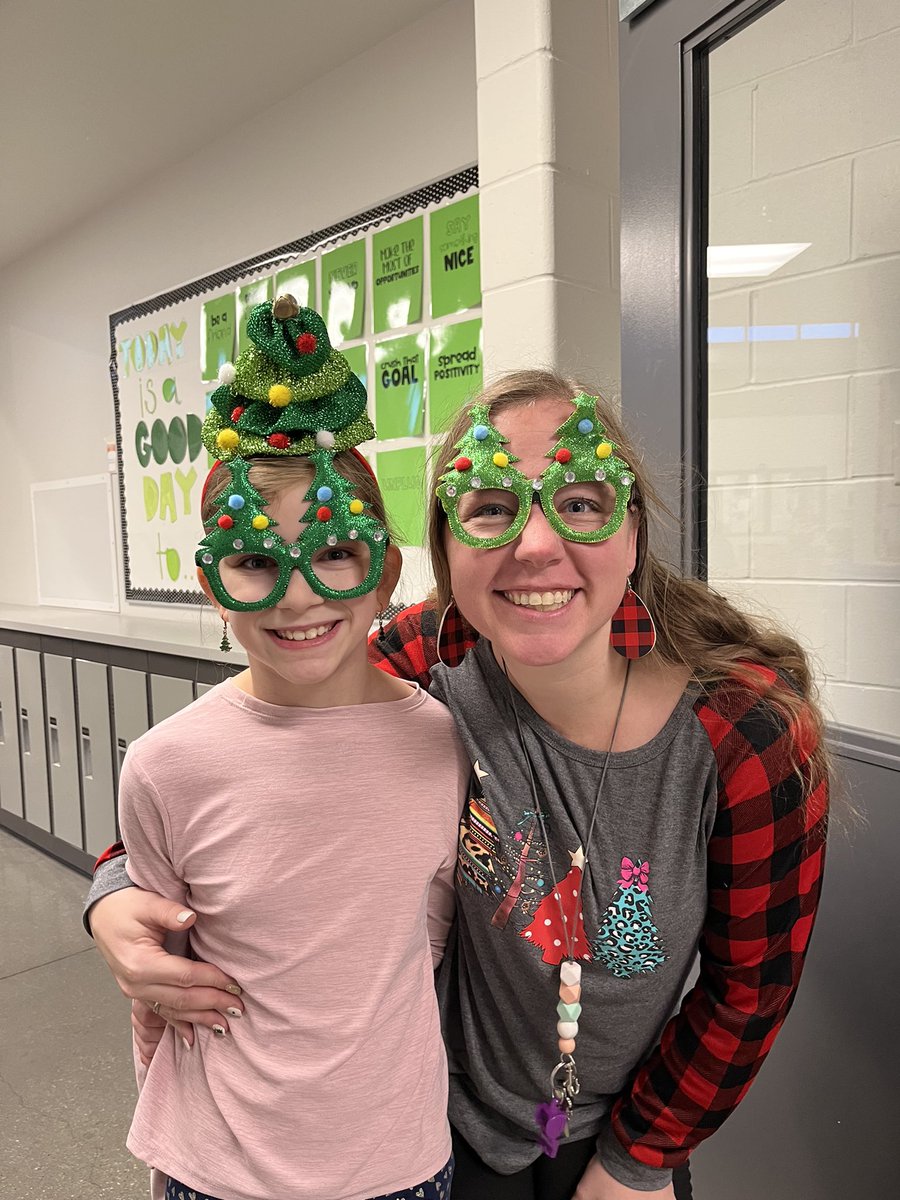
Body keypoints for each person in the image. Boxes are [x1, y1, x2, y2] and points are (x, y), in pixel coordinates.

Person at [87, 369, 829, 1200]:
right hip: (440, 1133)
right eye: (490, 507)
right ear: (445, 550)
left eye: (581, 502)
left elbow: (749, 992)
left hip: (629, 1140)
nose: (538, 545)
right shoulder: (428, 660)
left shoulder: (746, 729)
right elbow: (254, 763)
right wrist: (115, 889)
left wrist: (638, 1163)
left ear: (633, 533)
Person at [102, 297, 467, 1200]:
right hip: (218, 1162)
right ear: (211, 587)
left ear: (386, 570)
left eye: (336, 551)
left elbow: (426, 934)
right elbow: (159, 978)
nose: (297, 597)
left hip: (397, 1158)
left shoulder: (445, 741)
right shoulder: (164, 764)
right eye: (257, 561)